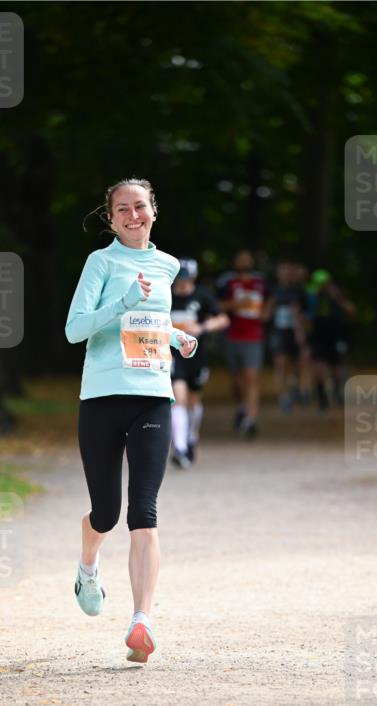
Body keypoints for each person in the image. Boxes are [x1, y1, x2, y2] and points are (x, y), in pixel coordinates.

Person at [65, 178, 198, 665]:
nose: (132, 215)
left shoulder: (168, 265)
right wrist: (121, 302)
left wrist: (177, 337)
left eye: (139, 206)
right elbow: (75, 329)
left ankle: (142, 621)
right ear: (111, 218)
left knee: (144, 510)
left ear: (153, 211)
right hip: (102, 398)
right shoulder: (100, 263)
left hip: (152, 398)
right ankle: (88, 565)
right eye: (122, 209)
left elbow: (150, 324)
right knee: (106, 513)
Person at [169, 258, 229, 468]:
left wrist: (202, 328)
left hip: (196, 355)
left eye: (185, 276)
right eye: (178, 276)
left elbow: (223, 319)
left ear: (193, 277)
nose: (181, 281)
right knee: (178, 398)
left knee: (193, 401)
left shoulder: (202, 296)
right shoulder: (166, 296)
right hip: (173, 356)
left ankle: (191, 436)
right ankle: (179, 448)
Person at [217, 249, 268, 439]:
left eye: (247, 259)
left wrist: (267, 312)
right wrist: (234, 305)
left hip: (254, 337)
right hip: (232, 336)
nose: (244, 262)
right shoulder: (227, 282)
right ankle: (241, 407)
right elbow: (216, 305)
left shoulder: (261, 282)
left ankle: (250, 420)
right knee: (237, 379)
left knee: (251, 379)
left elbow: (271, 299)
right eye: (241, 259)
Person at [306, 269, 357, 410]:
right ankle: (321, 396)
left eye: (325, 284)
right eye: (320, 284)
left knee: (336, 368)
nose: (323, 287)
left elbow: (352, 312)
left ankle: (336, 391)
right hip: (317, 337)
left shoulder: (337, 297)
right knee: (318, 367)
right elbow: (305, 317)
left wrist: (338, 299)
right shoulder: (311, 298)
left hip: (335, 336)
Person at [265, 260, 309, 412]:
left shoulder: (299, 291)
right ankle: (283, 397)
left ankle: (295, 389)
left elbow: (305, 313)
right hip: (278, 332)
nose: (285, 273)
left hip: (295, 333)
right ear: (278, 273)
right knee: (280, 364)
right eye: (282, 270)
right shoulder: (272, 291)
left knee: (297, 365)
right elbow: (266, 313)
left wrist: (300, 327)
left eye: (288, 270)